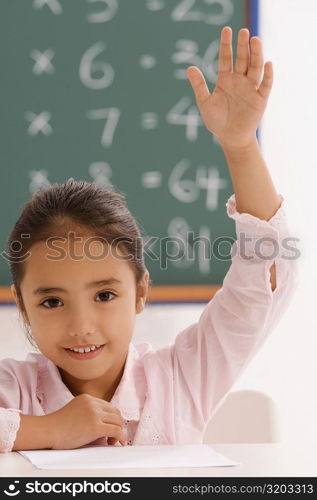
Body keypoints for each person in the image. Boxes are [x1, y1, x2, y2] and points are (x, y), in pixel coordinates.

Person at [0, 27, 298, 453]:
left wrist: (240, 146)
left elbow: (267, 278)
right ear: (24, 307)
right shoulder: (14, 390)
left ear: (141, 291)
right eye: (51, 301)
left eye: (104, 294)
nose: (81, 326)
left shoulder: (183, 376)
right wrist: (47, 431)